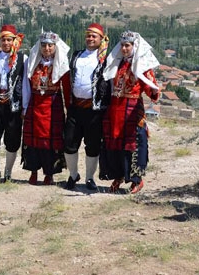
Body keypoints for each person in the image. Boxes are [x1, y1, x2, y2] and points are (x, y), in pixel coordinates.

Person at [100, 31, 160, 194]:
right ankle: (118, 175)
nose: (125, 48)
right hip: (115, 109)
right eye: (123, 45)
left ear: (135, 46)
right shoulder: (116, 63)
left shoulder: (141, 66)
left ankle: (136, 180)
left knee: (134, 145)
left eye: (128, 45)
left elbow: (152, 90)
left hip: (132, 110)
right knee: (114, 144)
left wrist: (154, 89)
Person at [63, 22, 111, 191]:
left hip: (94, 110)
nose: (90, 39)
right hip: (75, 107)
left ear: (101, 39)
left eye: (94, 36)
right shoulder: (76, 55)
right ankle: (73, 174)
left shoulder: (106, 59)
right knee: (69, 142)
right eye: (88, 35)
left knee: (92, 145)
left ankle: (89, 177)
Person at [22, 31, 71, 185]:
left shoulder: (62, 64)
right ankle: (33, 171)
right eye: (44, 45)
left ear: (55, 47)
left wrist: (69, 109)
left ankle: (49, 173)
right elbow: (27, 86)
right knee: (33, 140)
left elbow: (67, 88)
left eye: (50, 45)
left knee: (50, 141)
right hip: (35, 104)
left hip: (53, 104)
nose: (47, 48)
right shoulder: (33, 63)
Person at [0, 24, 27, 182]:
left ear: (14, 41)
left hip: (14, 105)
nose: (6, 43)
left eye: (9, 40)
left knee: (13, 140)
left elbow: (25, 84)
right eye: (3, 40)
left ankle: (8, 173)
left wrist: (25, 105)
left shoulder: (23, 59)